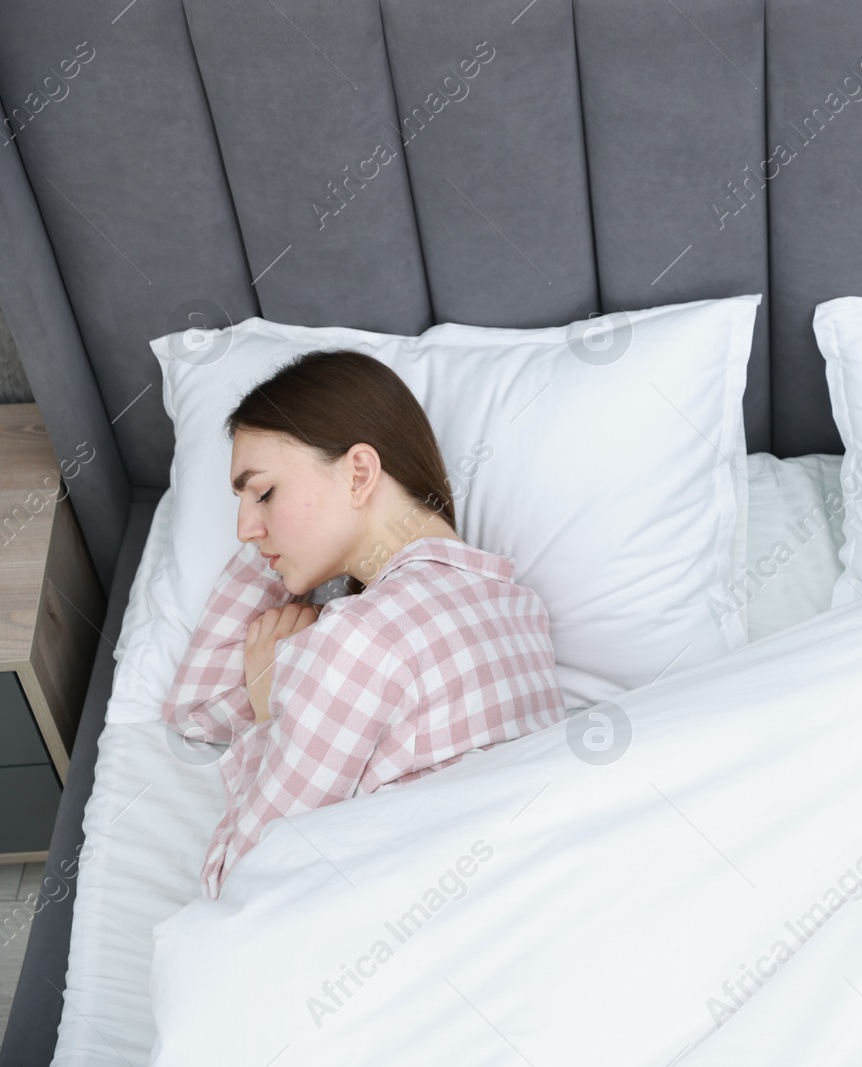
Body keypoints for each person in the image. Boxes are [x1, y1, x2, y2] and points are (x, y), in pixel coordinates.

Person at [160, 350, 565, 898]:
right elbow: (203, 715)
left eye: (263, 492)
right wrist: (289, 553)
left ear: (359, 473)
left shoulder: (357, 639)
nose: (243, 529)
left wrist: (265, 709)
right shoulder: (518, 608)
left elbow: (239, 882)